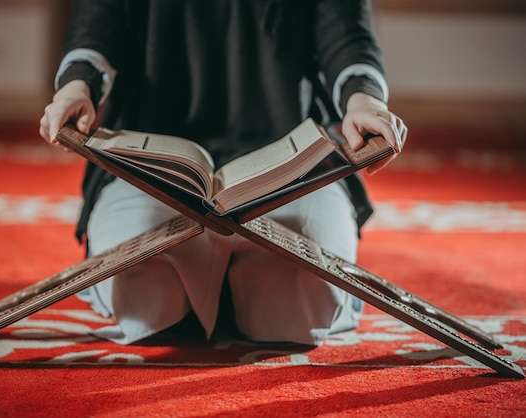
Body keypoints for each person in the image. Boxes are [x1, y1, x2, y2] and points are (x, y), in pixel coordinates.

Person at [39, 0, 407, 345]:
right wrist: (76, 86)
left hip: (292, 156)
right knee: (146, 293)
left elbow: (345, 32)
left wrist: (365, 98)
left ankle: (224, 284)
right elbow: (99, 21)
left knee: (301, 296)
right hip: (148, 156)